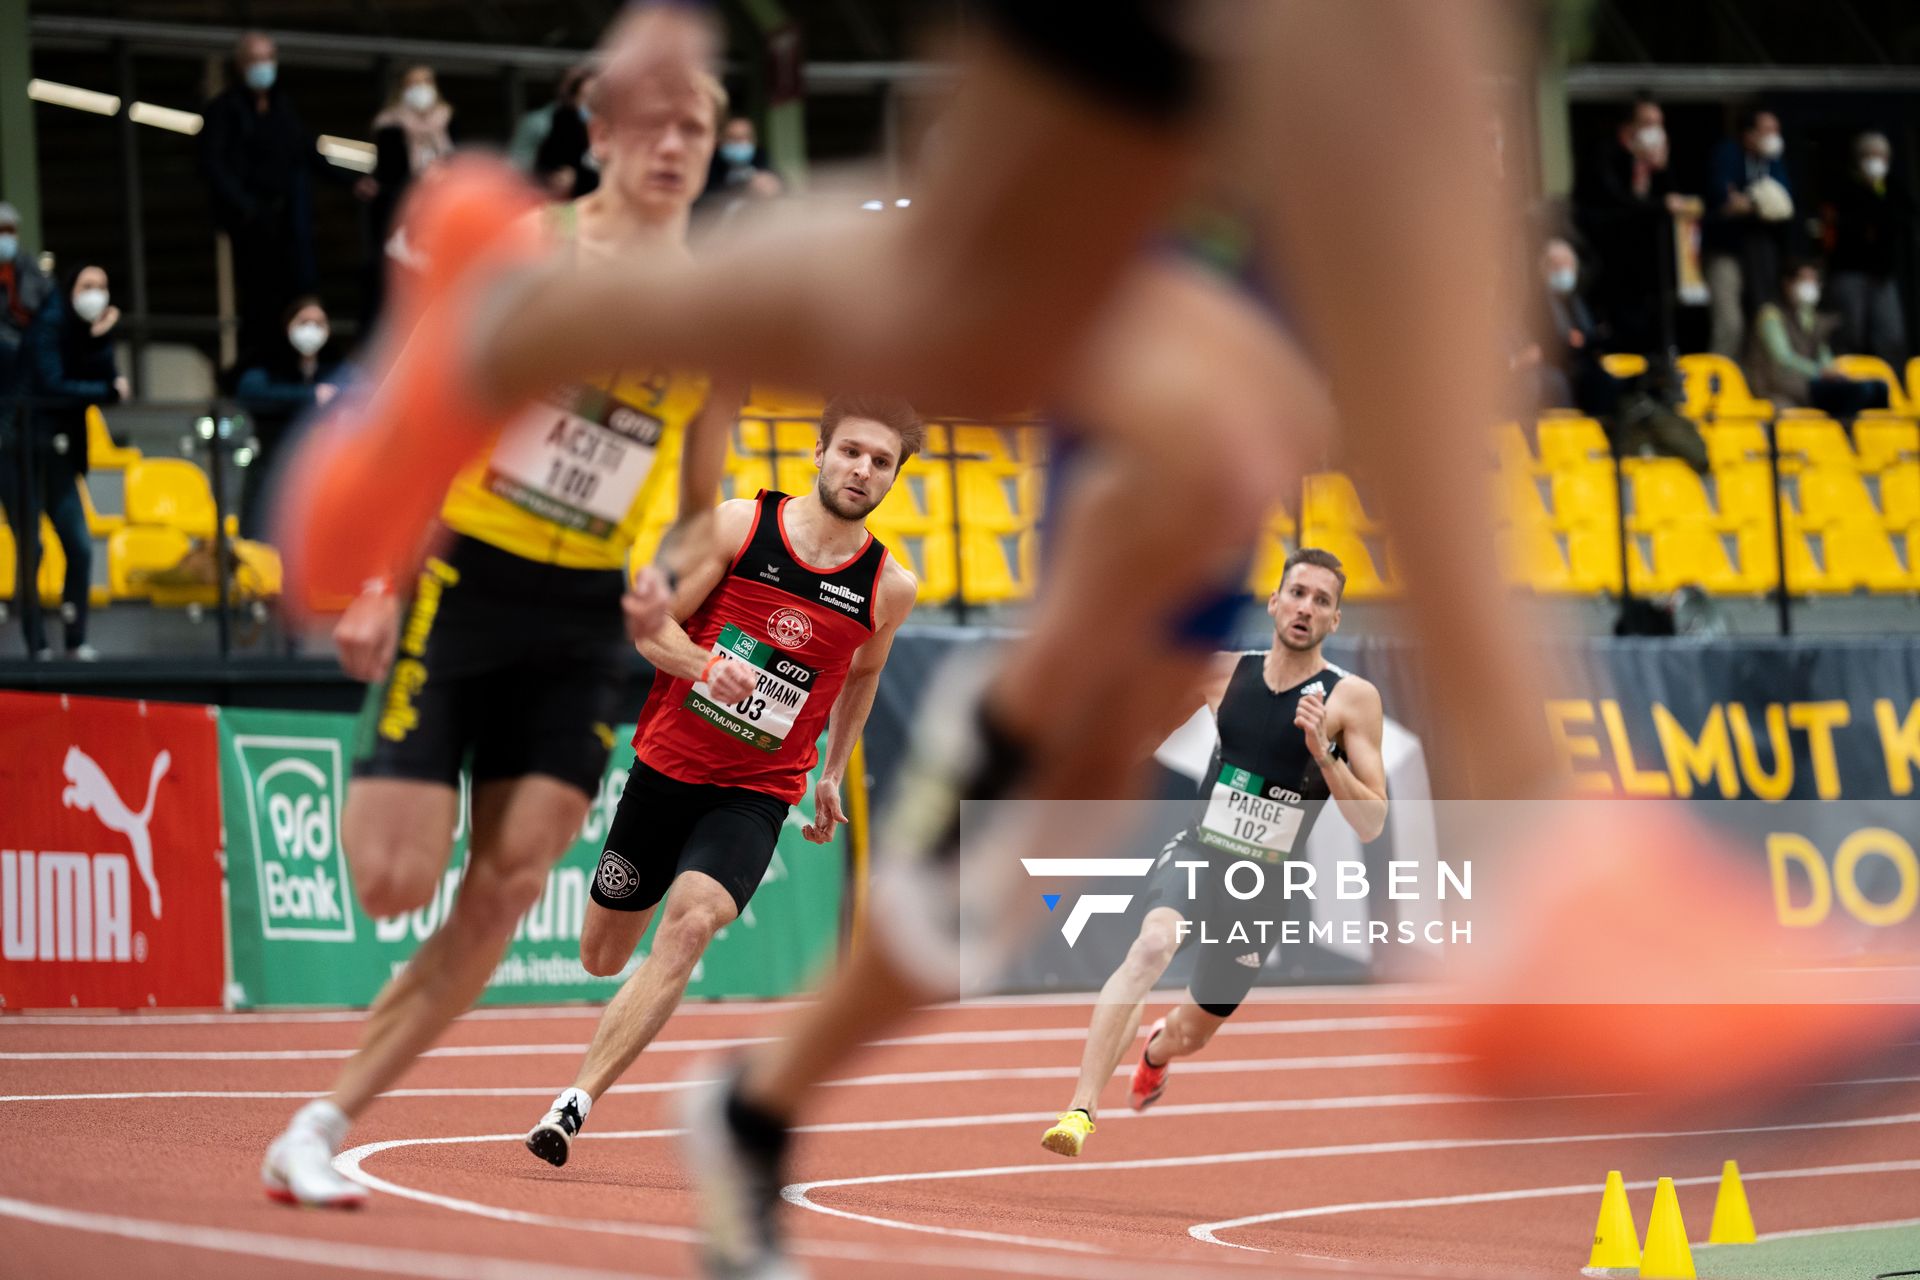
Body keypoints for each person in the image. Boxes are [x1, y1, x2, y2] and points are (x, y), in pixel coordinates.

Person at [258, 42, 740, 1209]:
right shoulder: (527, 253)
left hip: (582, 616)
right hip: (465, 575)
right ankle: (399, 765)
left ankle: (316, 1126)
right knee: (388, 879)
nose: (676, 146)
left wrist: (661, 585)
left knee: (513, 878)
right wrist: (376, 577)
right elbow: (415, 414)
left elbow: (698, 519)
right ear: (605, 133)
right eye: (655, 123)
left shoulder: (716, 312)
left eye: (698, 128)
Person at [524, 396, 919, 1167]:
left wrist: (833, 772)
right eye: (851, 453)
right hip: (667, 767)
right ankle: (601, 1025)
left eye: (880, 462)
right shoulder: (744, 527)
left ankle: (574, 1102)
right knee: (601, 956)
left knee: (694, 920)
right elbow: (651, 628)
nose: (862, 471)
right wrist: (708, 666)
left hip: (759, 790)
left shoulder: (889, 587)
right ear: (819, 452)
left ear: (895, 477)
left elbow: (862, 676)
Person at [1040, 549, 1387, 1158]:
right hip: (1201, 852)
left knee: (1191, 1032)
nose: (1306, 607)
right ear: (1275, 602)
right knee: (1150, 947)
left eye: (1322, 601)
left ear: (1335, 621)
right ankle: (1080, 1110)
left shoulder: (1350, 700)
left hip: (1264, 889)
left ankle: (1154, 1055)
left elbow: (1370, 820)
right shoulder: (1221, 674)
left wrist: (1322, 751)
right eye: (1297, 593)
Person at [199, 30, 361, 371]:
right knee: (260, 304)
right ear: (241, 65)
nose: (264, 67)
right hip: (255, 226)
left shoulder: (283, 107)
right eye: (256, 60)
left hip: (290, 225)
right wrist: (248, 210)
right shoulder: (225, 110)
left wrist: (353, 183)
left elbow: (309, 152)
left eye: (269, 58)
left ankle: (300, 366)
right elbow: (214, 167)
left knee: (298, 295)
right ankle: (261, 369)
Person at [14, 264, 126, 661]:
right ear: (70, 288)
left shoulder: (88, 332)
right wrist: (103, 387)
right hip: (21, 451)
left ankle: (75, 639)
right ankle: (36, 644)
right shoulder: (49, 325)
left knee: (79, 546)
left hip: (60, 454)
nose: (96, 293)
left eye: (103, 286)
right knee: (32, 548)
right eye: (88, 285)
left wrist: (101, 339)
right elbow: (54, 384)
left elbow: (109, 383)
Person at [1576, 95, 1701, 359]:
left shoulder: (1655, 162)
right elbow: (1614, 201)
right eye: (1647, 122)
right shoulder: (1605, 153)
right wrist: (1658, 203)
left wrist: (1661, 169)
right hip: (1608, 255)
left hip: (1646, 263)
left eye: (1659, 123)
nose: (1655, 130)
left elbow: (1672, 200)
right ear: (1627, 127)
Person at [234, 296, 343, 539]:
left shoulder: (334, 367)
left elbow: (363, 388)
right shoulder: (269, 365)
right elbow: (249, 390)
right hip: (273, 467)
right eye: (304, 322)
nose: (311, 330)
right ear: (288, 326)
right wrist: (310, 395)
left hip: (319, 473)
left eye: (319, 323)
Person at [363, 66, 456, 328]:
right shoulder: (389, 125)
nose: (421, 90)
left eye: (426, 82)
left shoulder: (447, 120)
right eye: (413, 84)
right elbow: (388, 177)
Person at [1746, 259, 1890, 421]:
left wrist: (1833, 372)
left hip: (1810, 384)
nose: (1810, 285)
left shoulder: (1812, 318)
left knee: (1879, 389)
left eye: (1813, 279)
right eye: (1804, 279)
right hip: (1782, 385)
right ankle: (1848, 434)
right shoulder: (1771, 315)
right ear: (1787, 283)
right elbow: (1783, 358)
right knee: (1862, 392)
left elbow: (1823, 354)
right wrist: (1819, 372)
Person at [1703, 107, 1792, 359]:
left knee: (1764, 321)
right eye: (1768, 130)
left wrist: (1750, 201)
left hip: (1760, 255)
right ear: (1749, 134)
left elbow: (1784, 203)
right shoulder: (1728, 152)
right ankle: (1718, 381)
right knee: (1730, 323)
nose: (1774, 136)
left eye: (1777, 130)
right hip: (1725, 250)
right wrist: (1755, 203)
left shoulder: (1773, 161)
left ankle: (1755, 386)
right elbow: (1724, 199)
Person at [1826, 132, 1910, 365]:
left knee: (1891, 335)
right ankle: (1850, 386)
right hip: (1850, 271)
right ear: (1859, 158)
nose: (1876, 161)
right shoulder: (1845, 187)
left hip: (1883, 273)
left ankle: (1891, 388)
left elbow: (1901, 221)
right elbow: (1841, 223)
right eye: (1870, 155)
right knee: (1850, 333)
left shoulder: (1892, 188)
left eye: (1881, 156)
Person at [0, 200, 53, 404]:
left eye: (9, 230)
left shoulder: (28, 266)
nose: (5, 237)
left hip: (28, 346)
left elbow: (44, 302)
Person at [534, 72, 600, 201]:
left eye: (598, 98)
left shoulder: (620, 135)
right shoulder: (561, 135)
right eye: (586, 98)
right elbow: (543, 173)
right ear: (574, 100)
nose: (592, 105)